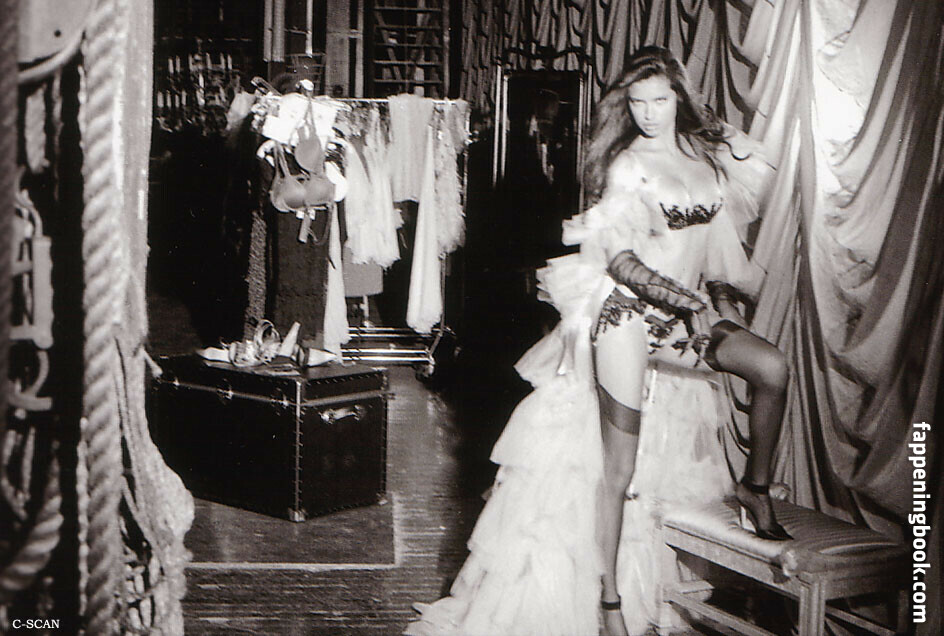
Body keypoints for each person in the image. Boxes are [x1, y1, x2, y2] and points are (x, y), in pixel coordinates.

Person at [405, 45, 788, 636]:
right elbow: (623, 261)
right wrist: (691, 307)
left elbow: (715, 257)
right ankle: (610, 603)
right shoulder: (627, 166)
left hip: (683, 321)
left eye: (659, 100)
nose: (648, 113)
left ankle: (755, 488)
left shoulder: (707, 160)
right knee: (619, 470)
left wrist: (715, 305)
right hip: (624, 319)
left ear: (679, 98)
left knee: (772, 368)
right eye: (637, 103)